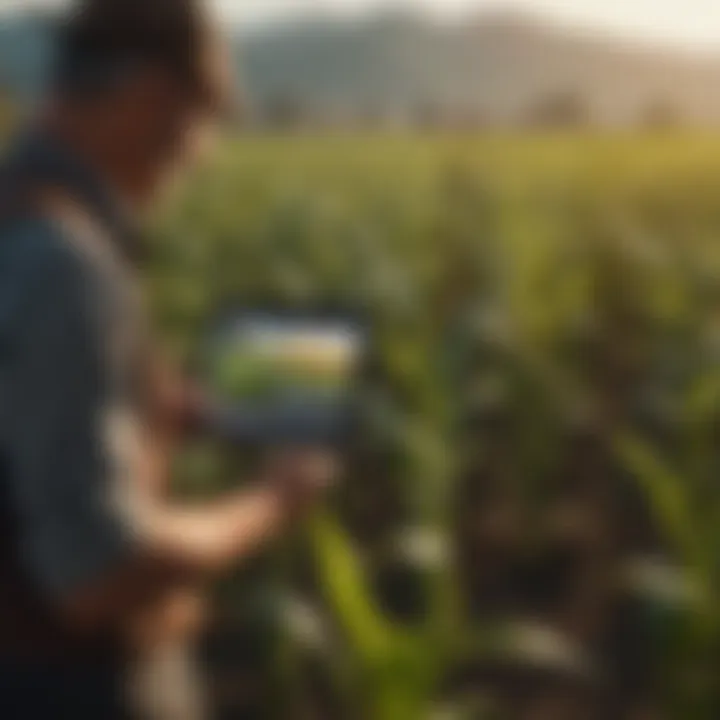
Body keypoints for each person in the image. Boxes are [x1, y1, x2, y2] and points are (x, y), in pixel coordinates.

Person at [0, 0, 336, 718]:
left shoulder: (23, 218)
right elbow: (97, 575)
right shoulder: (65, 265)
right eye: (202, 118)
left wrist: (145, 412)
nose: (199, 153)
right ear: (152, 96)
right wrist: (272, 504)